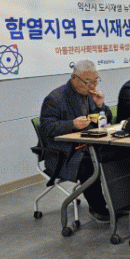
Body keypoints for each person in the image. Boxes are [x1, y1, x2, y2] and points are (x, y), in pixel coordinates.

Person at [40, 60, 113, 223]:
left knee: (118, 154)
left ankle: (122, 202)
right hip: (64, 153)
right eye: (88, 82)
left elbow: (106, 119)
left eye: (95, 81)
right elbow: (46, 128)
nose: (92, 86)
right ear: (74, 78)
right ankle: (98, 208)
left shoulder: (89, 95)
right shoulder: (55, 98)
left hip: (89, 145)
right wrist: (71, 124)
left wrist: (100, 106)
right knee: (89, 163)